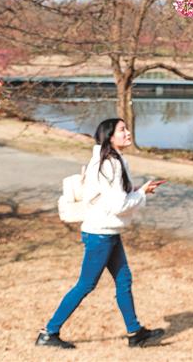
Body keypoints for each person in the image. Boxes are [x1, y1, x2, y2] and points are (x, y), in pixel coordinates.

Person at [35, 118, 166, 349]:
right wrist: (142, 193)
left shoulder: (112, 160)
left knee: (124, 280)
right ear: (110, 137)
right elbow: (118, 205)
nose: (127, 133)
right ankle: (49, 332)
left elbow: (114, 197)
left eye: (126, 128)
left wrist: (138, 191)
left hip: (108, 231)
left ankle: (135, 333)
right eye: (122, 130)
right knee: (85, 285)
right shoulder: (109, 165)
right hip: (100, 234)